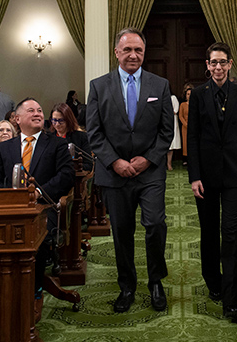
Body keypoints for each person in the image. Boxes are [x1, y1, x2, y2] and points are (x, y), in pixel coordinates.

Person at [86, 28, 174, 313]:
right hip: (114, 173)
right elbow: (94, 132)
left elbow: (166, 131)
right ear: (116, 53)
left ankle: (156, 281)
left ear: (144, 52)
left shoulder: (159, 85)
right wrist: (115, 162)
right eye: (127, 50)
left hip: (150, 172)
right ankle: (127, 285)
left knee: (155, 225)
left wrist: (147, 159)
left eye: (138, 50)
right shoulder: (99, 86)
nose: (133, 55)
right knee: (121, 232)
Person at [0, 97, 75, 319]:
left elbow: (66, 176)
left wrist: (38, 192)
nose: (37, 113)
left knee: (38, 241)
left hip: (45, 208)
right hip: (11, 210)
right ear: (17, 118)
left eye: (40, 110)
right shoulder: (4, 148)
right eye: (31, 110)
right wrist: (13, 197)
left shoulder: (56, 144)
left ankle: (34, 295)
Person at [186, 42, 237, 322]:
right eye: (213, 63)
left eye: (222, 62)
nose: (218, 67)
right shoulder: (199, 96)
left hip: (235, 175)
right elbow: (192, 137)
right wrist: (194, 177)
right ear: (207, 65)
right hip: (206, 176)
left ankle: (231, 301)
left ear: (230, 64)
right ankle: (212, 279)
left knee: (231, 234)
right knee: (209, 232)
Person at [50, 102, 92, 172]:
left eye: (61, 120)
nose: (57, 124)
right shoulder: (48, 138)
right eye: (54, 120)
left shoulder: (81, 137)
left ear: (68, 120)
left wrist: (75, 166)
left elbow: (89, 165)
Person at [168, 89, 181, 170]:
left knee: (172, 145)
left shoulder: (173, 98)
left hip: (172, 122)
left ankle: (169, 163)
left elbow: (175, 111)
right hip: (162, 122)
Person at [179, 84, 192, 160]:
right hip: (185, 127)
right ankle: (185, 159)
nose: (189, 96)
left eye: (190, 94)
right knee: (185, 143)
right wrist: (186, 124)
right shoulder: (182, 104)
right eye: (187, 94)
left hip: (193, 126)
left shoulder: (195, 104)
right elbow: (180, 116)